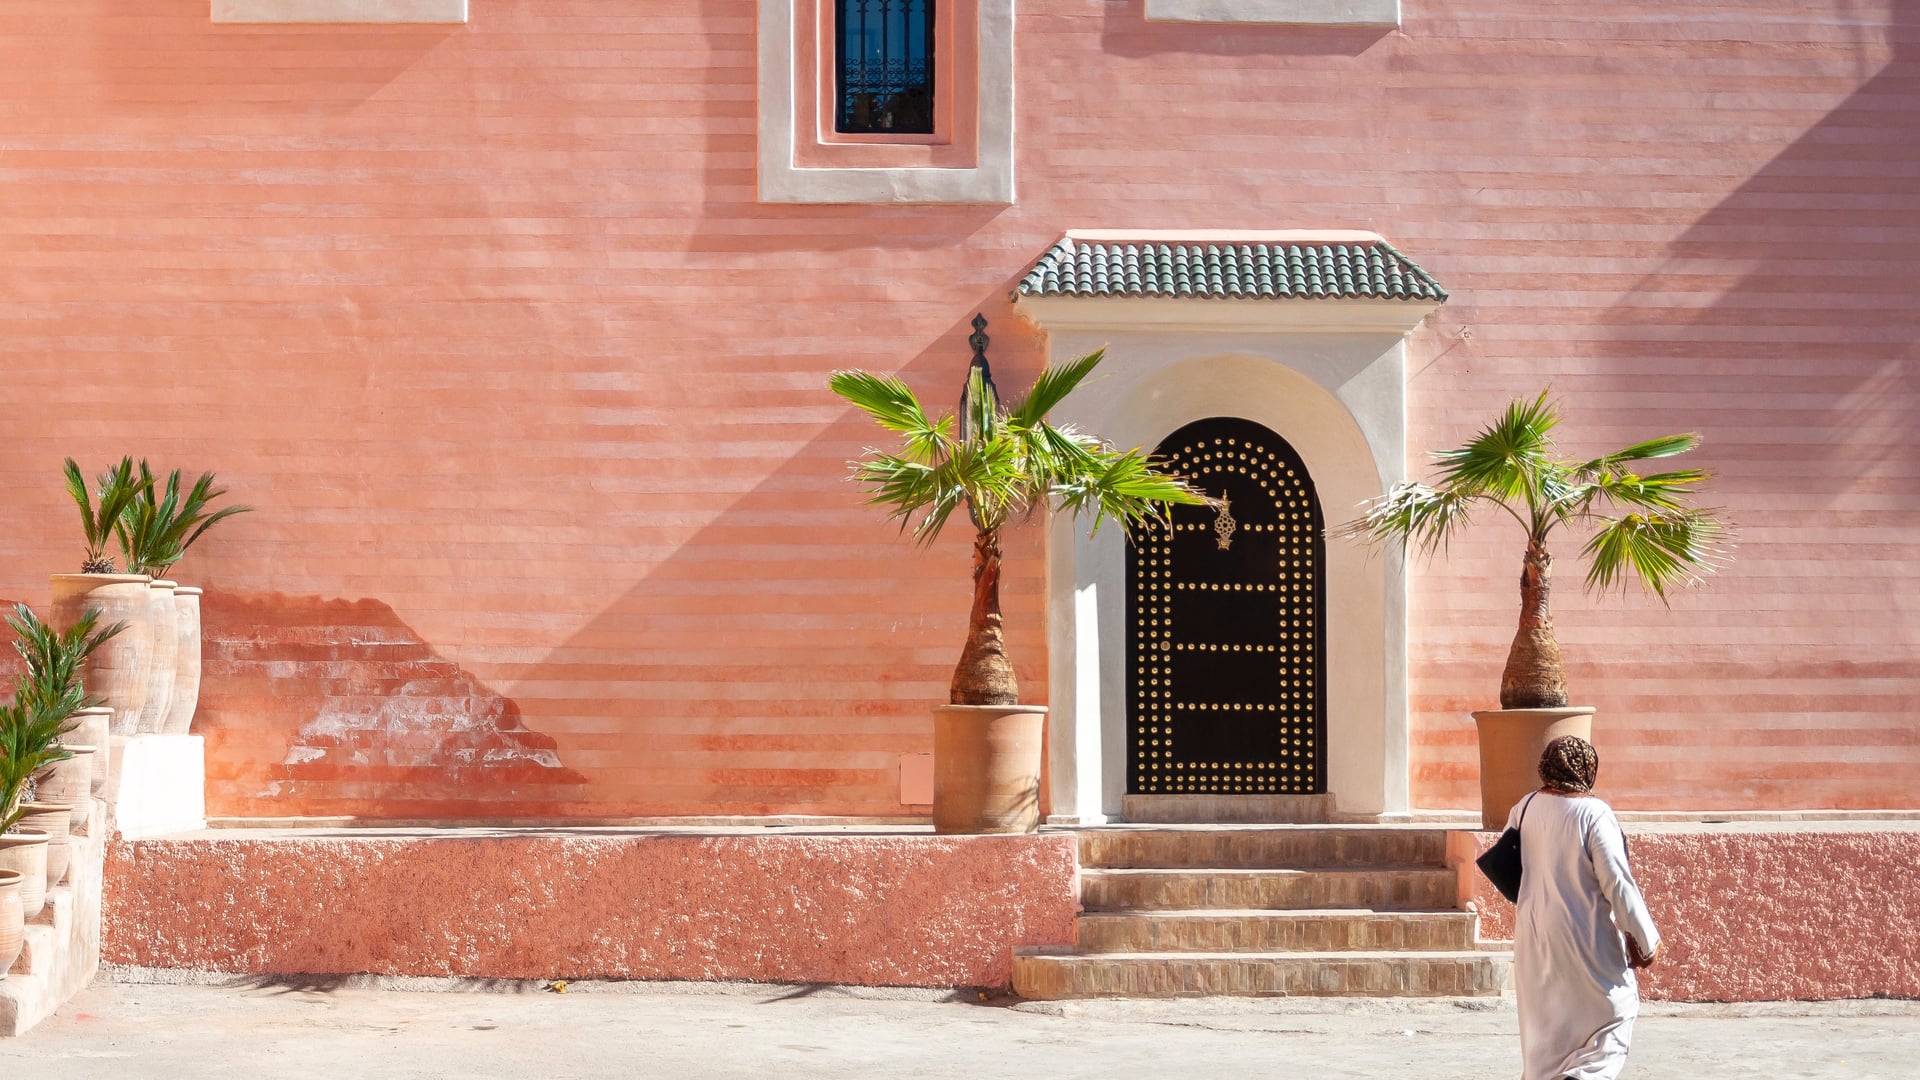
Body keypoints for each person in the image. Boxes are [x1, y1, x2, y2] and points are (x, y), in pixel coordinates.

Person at [1508, 735, 1662, 1080]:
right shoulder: (1594, 813)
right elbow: (1616, 881)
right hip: (1586, 935)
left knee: (1548, 1034)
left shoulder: (1525, 807)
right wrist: (1645, 940)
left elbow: (1508, 867)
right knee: (1616, 1014)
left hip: (1535, 935)